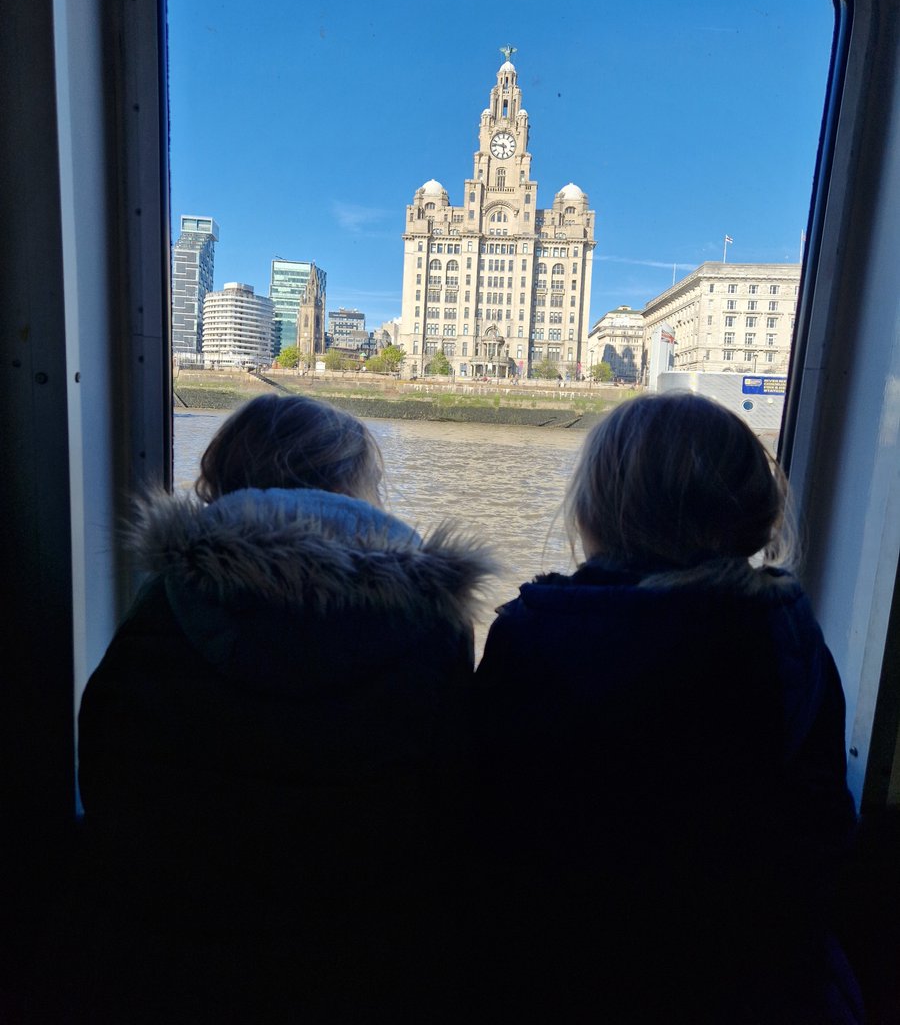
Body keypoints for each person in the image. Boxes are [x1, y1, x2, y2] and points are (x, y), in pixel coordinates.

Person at [67, 394, 495, 1023]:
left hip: (177, 961)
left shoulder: (167, 605)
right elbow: (455, 801)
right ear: (356, 492)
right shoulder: (430, 624)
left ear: (224, 482)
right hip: (372, 961)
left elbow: (108, 768)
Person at [474, 393, 860, 1024]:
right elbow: (822, 826)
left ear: (596, 507)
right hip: (742, 982)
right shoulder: (787, 639)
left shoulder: (531, 634)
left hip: (559, 976)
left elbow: (485, 819)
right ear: (753, 512)